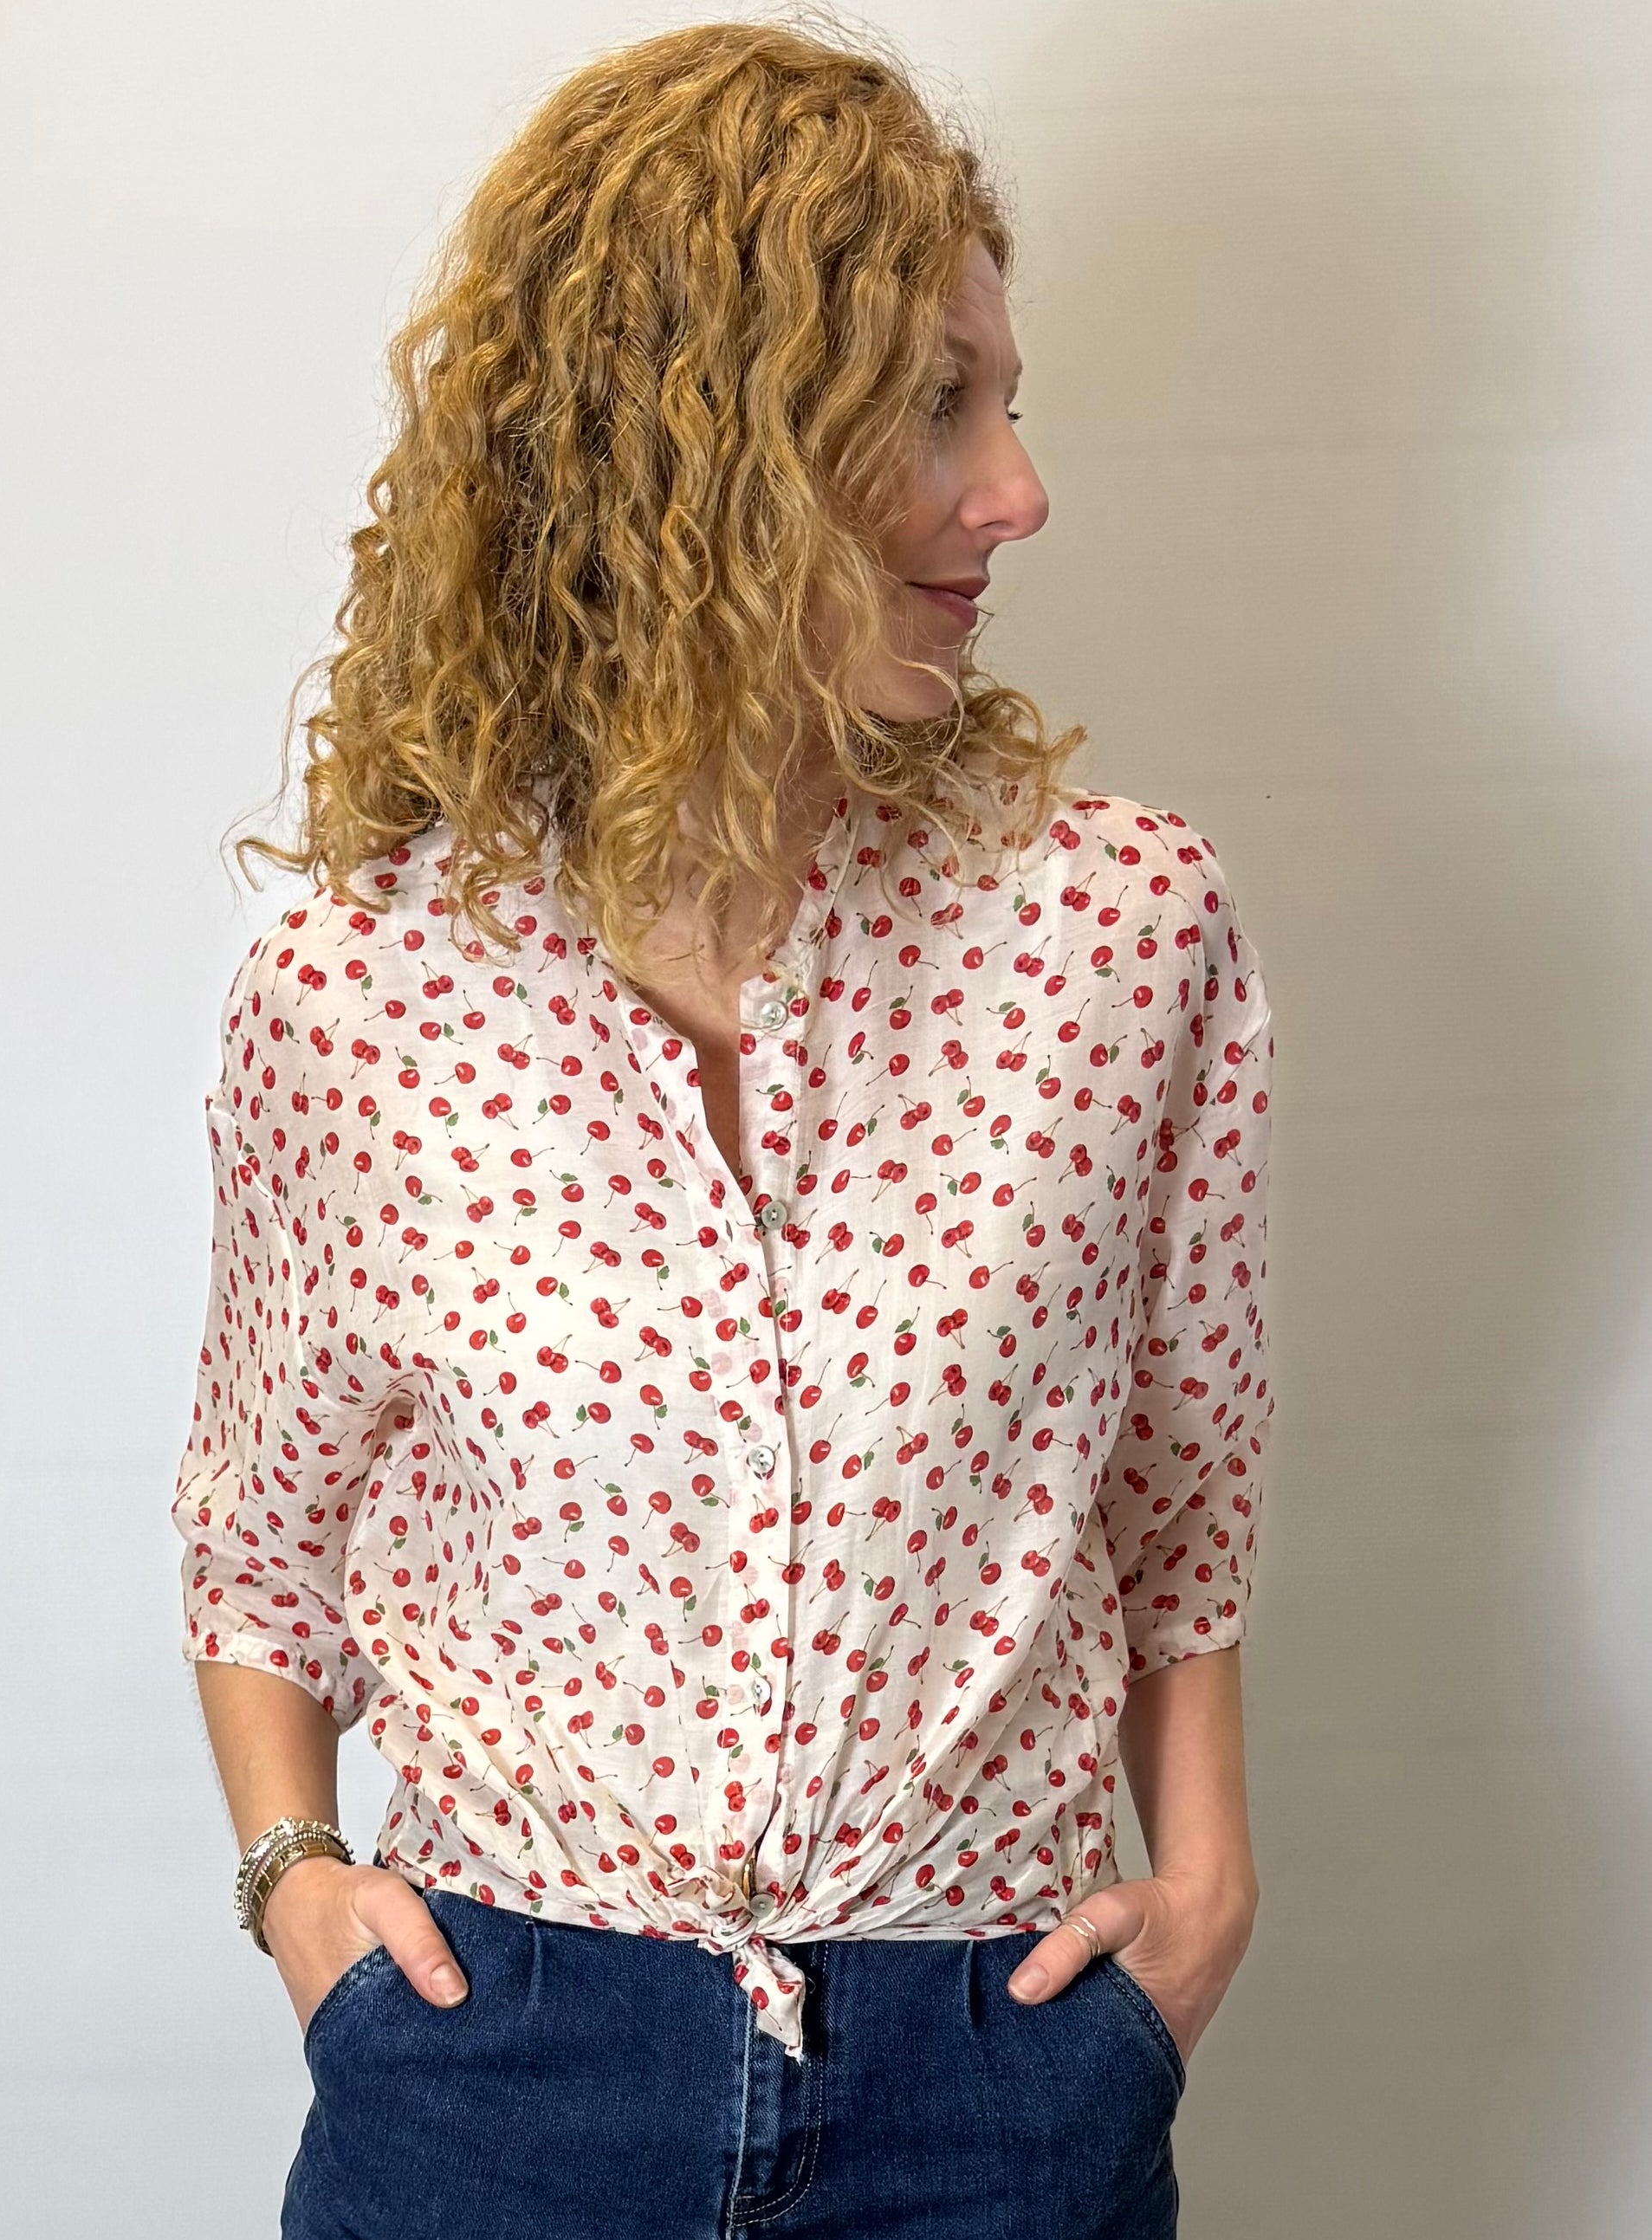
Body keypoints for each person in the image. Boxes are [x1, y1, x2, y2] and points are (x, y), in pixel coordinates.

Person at [172, 17, 1276, 2238]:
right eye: (936, 405)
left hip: (999, 2065)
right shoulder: (359, 992)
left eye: (1009, 394)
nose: (1020, 492)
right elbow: (259, 1533)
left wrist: (1207, 1886)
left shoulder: (1118, 931)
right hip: (500, 2061)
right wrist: (300, 1889)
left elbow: (1186, 1472)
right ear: (705, 454)